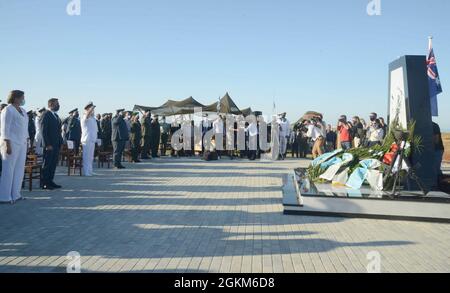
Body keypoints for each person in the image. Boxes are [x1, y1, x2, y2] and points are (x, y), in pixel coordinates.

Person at [0, 90, 29, 203]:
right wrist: (7, 144)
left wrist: (27, 140)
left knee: (19, 169)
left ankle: (16, 194)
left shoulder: (23, 110)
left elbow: (24, 128)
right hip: (10, 143)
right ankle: (4, 196)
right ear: (16, 98)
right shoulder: (8, 110)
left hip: (22, 143)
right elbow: (4, 128)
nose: (23, 99)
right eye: (22, 97)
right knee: (8, 170)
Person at [41, 98, 64, 190]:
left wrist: (61, 142)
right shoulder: (46, 114)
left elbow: (58, 131)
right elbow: (43, 131)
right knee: (47, 164)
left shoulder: (56, 116)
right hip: (49, 145)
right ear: (51, 104)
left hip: (56, 144)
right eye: (57, 104)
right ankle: (44, 183)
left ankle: (50, 181)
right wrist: (47, 144)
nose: (58, 105)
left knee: (53, 164)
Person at [81, 103, 98, 176]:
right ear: (88, 109)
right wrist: (90, 110)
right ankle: (86, 171)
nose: (93, 111)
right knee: (86, 157)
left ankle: (90, 170)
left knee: (91, 157)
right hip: (86, 140)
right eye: (92, 109)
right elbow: (87, 115)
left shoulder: (93, 118)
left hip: (92, 139)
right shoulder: (85, 117)